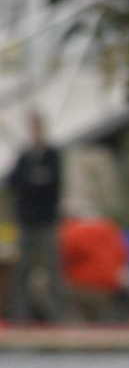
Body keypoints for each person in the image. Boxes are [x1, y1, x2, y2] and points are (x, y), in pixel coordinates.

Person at [7, 112, 66, 324]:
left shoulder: (52, 155)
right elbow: (14, 181)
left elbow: (54, 184)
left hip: (47, 221)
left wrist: (34, 183)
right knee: (22, 270)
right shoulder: (24, 157)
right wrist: (35, 181)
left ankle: (58, 314)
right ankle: (20, 315)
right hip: (27, 221)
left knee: (53, 268)